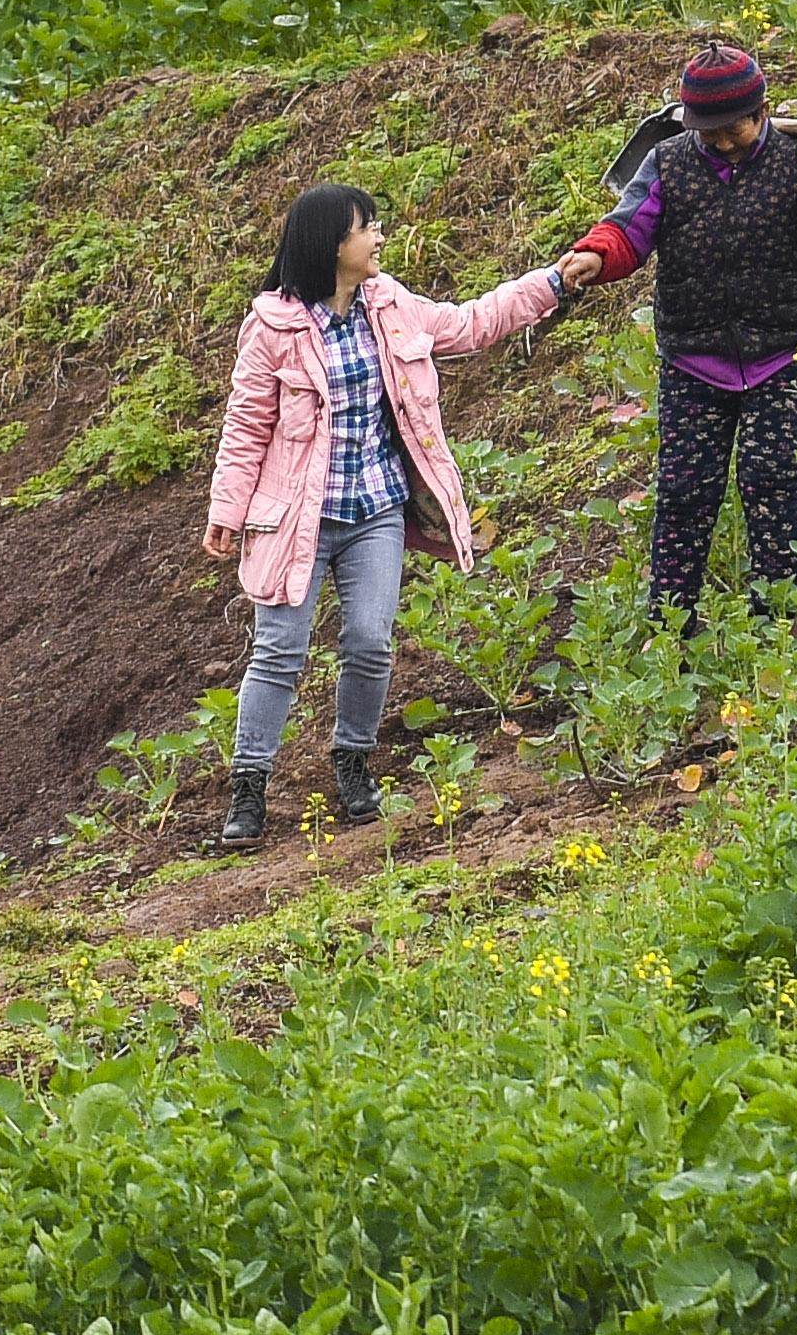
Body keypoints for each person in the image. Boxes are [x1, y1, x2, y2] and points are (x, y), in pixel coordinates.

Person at [198, 179, 569, 852]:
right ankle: (248, 788)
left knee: (369, 640)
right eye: (366, 227)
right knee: (280, 651)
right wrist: (227, 509)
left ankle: (352, 761)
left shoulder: (390, 304)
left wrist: (550, 282)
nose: (379, 237)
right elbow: (246, 426)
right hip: (295, 522)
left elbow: (471, 323)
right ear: (330, 244)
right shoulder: (274, 325)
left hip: (375, 511)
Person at [559, 42, 797, 621]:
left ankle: (778, 626)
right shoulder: (668, 162)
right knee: (684, 494)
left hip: (782, 353)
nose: (719, 142)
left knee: (772, 485)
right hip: (694, 358)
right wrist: (594, 257)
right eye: (707, 132)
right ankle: (669, 629)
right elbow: (627, 231)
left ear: (761, 113)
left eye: (731, 130)